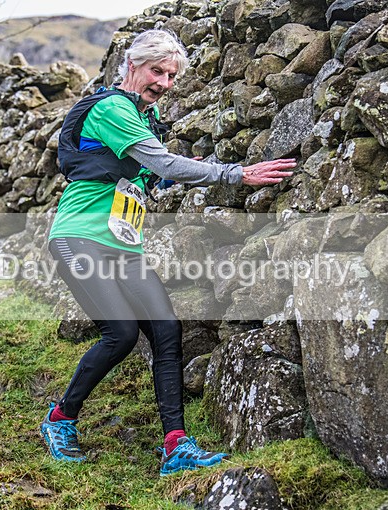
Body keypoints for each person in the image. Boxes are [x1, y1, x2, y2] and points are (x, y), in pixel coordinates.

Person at [40, 29, 297, 476]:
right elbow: (164, 164)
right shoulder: (113, 109)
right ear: (132, 66)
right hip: (78, 237)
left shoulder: (144, 117)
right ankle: (60, 418)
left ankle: (176, 445)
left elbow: (151, 174)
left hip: (124, 246)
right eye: (156, 71)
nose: (162, 82)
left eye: (171, 76)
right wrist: (236, 173)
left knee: (166, 330)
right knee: (119, 333)